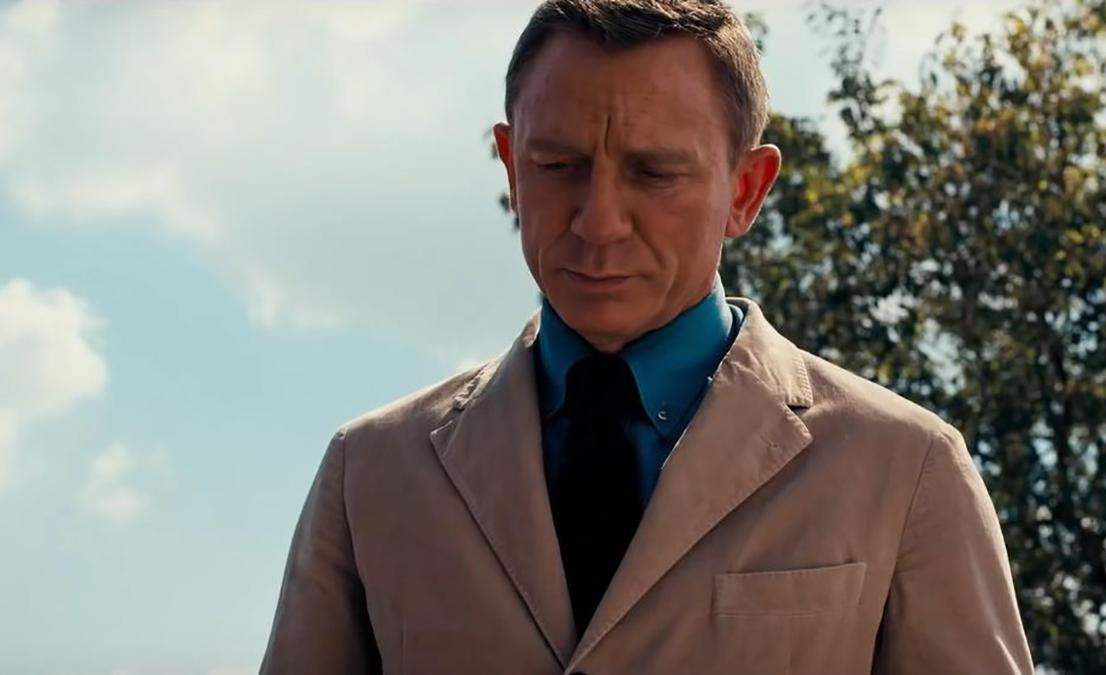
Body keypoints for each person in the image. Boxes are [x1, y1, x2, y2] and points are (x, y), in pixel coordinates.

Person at [260, 1, 1036, 673]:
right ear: (512, 168)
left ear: (746, 190)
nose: (599, 222)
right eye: (558, 164)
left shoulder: (904, 469)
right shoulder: (371, 472)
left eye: (655, 173)